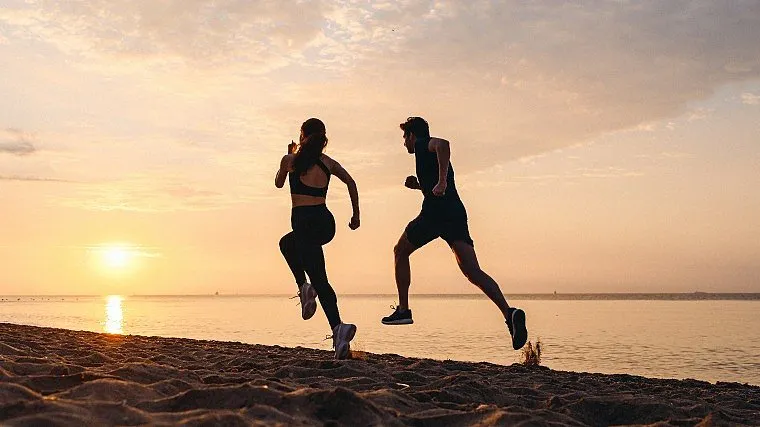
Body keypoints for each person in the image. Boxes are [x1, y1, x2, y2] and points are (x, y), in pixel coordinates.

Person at [381, 116, 528, 350]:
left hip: (435, 213)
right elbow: (438, 186)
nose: (404, 143)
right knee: (472, 272)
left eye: (404, 137)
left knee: (400, 251)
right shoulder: (426, 157)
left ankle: (403, 310)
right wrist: (421, 186)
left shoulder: (423, 144)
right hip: (454, 212)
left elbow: (444, 144)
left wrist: (440, 183)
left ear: (412, 135)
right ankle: (510, 313)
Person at [275, 118, 360, 359]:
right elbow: (351, 183)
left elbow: (279, 183)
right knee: (287, 244)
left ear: (303, 136)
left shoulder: (291, 161)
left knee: (318, 277)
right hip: (324, 223)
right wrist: (356, 215)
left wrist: (287, 156)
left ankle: (330, 317)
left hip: (304, 223)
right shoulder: (328, 163)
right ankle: (309, 293)